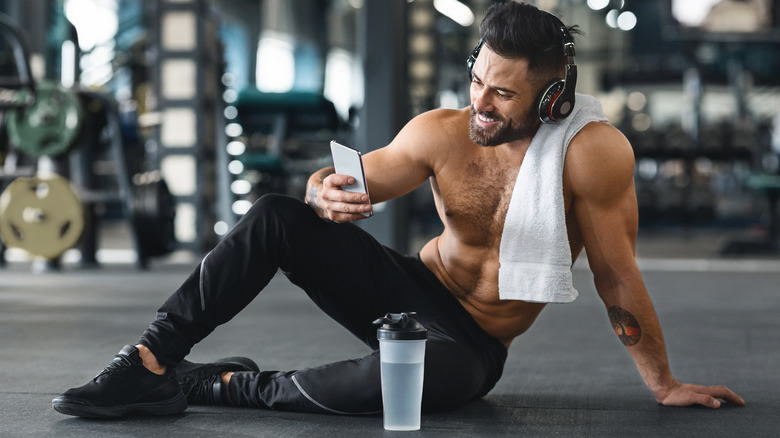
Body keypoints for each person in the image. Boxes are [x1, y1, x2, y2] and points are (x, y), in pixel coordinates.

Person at [52, 2, 744, 419]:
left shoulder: (593, 154)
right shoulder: (440, 130)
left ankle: (215, 384)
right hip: (409, 288)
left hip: (472, 342)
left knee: (438, 382)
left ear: (553, 99)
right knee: (275, 213)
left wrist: (665, 385)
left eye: (502, 94)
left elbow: (616, 276)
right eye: (477, 80)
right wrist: (324, 185)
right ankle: (149, 360)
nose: (480, 102)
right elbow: (359, 178)